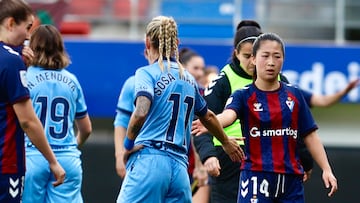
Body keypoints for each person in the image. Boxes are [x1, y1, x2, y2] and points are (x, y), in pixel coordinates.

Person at [194, 20, 358, 203]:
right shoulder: (239, 92)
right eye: (265, 56)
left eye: (277, 56)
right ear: (253, 58)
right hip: (250, 172)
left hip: (290, 179)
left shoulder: (293, 94)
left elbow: (308, 134)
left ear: (283, 60)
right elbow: (228, 116)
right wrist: (211, 122)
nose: (271, 62)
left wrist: (325, 168)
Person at [116, 15, 244, 203]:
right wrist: (224, 140)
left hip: (150, 159)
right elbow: (207, 116)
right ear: (176, 43)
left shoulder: (145, 73)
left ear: (147, 43)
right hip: (179, 169)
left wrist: (126, 146)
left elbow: (141, 110)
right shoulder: (188, 79)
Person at [0, 1, 65, 202]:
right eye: (27, 27)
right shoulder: (11, 61)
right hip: (5, 163)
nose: (29, 36)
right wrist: (53, 161)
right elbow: (27, 121)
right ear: (11, 23)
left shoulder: (14, 59)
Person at [22, 24, 92, 202]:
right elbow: (86, 129)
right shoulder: (72, 80)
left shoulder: (25, 76)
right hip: (66, 158)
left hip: (32, 156)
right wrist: (72, 146)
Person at [179, 47, 210, 203]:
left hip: (197, 169)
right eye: (195, 68)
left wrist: (200, 165)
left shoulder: (204, 94)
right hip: (179, 165)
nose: (199, 73)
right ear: (183, 68)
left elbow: (197, 129)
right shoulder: (178, 91)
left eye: (202, 69)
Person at [113, 75, 135, 180]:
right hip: (141, 156)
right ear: (146, 56)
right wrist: (120, 154)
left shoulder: (186, 80)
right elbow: (122, 121)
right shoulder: (134, 81)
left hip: (179, 158)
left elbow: (140, 114)